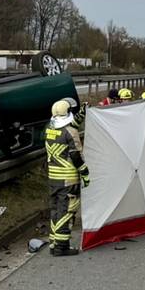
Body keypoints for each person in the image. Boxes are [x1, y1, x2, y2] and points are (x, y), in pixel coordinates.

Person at [44, 98, 89, 256]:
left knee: (56, 210)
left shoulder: (49, 128)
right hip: (68, 178)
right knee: (68, 211)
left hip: (53, 178)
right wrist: (85, 174)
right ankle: (62, 247)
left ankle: (53, 243)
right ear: (67, 113)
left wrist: (81, 114)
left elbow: (67, 127)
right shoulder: (71, 132)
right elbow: (76, 156)